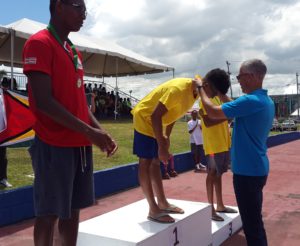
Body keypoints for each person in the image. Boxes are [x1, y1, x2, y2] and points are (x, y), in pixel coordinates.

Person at [22, 1, 117, 245]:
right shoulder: (39, 43)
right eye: (78, 6)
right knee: (49, 213)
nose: (84, 14)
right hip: (53, 143)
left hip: (79, 143)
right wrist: (89, 131)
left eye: (85, 9)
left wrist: (99, 131)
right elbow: (43, 101)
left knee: (73, 210)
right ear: (58, 6)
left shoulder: (72, 49)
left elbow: (79, 103)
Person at [195, 59, 274, 246]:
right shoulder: (263, 100)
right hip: (255, 169)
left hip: (247, 173)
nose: (238, 80)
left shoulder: (251, 100)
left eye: (240, 76)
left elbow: (213, 112)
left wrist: (200, 89)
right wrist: (221, 93)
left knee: (252, 226)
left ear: (252, 76)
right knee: (254, 221)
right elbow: (232, 108)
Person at [131, 77, 201, 223]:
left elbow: (174, 114)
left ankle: (162, 202)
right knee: (146, 161)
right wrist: (162, 147)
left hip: (155, 120)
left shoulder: (197, 90)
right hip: (145, 117)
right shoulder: (178, 90)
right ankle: (153, 208)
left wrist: (166, 137)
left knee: (156, 162)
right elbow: (155, 115)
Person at [198, 69, 237, 222]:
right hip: (213, 143)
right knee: (212, 173)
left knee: (219, 174)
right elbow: (207, 121)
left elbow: (230, 113)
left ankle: (220, 205)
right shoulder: (204, 99)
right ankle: (210, 207)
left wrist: (226, 116)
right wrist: (226, 116)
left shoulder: (219, 97)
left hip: (223, 141)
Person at [0, 78, 13, 188]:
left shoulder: (6, 96)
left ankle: (3, 178)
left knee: (3, 157)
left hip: (2, 133)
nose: (6, 87)